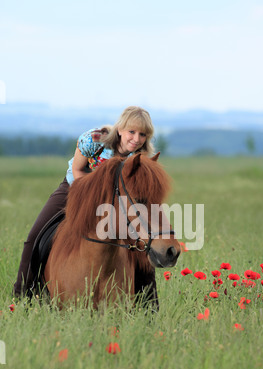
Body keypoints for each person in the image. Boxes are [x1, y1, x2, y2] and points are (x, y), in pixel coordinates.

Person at [14, 106, 159, 308]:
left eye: (142, 134)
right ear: (120, 130)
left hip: (115, 201)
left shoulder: (138, 159)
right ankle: (23, 296)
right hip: (75, 187)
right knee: (35, 235)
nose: (136, 138)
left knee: (142, 245)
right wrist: (96, 197)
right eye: (132, 132)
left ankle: (148, 306)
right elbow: (77, 169)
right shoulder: (95, 140)